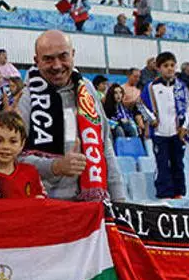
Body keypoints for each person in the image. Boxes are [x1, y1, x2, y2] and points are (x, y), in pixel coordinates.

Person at [16, 30, 125, 201]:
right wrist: (54, 166)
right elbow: (13, 157)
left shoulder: (87, 89)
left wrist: (119, 198)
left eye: (63, 56)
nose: (57, 66)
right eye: (48, 59)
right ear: (36, 61)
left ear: (73, 54)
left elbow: (105, 145)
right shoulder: (26, 98)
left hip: (93, 202)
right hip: (48, 204)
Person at [141, 51, 189, 199]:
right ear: (158, 68)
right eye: (165, 65)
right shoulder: (151, 87)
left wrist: (185, 127)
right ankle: (164, 194)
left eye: (172, 65)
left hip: (177, 133)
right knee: (162, 164)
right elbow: (141, 105)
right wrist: (151, 119)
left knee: (178, 164)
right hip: (160, 133)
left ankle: (179, 193)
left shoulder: (181, 87)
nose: (170, 68)